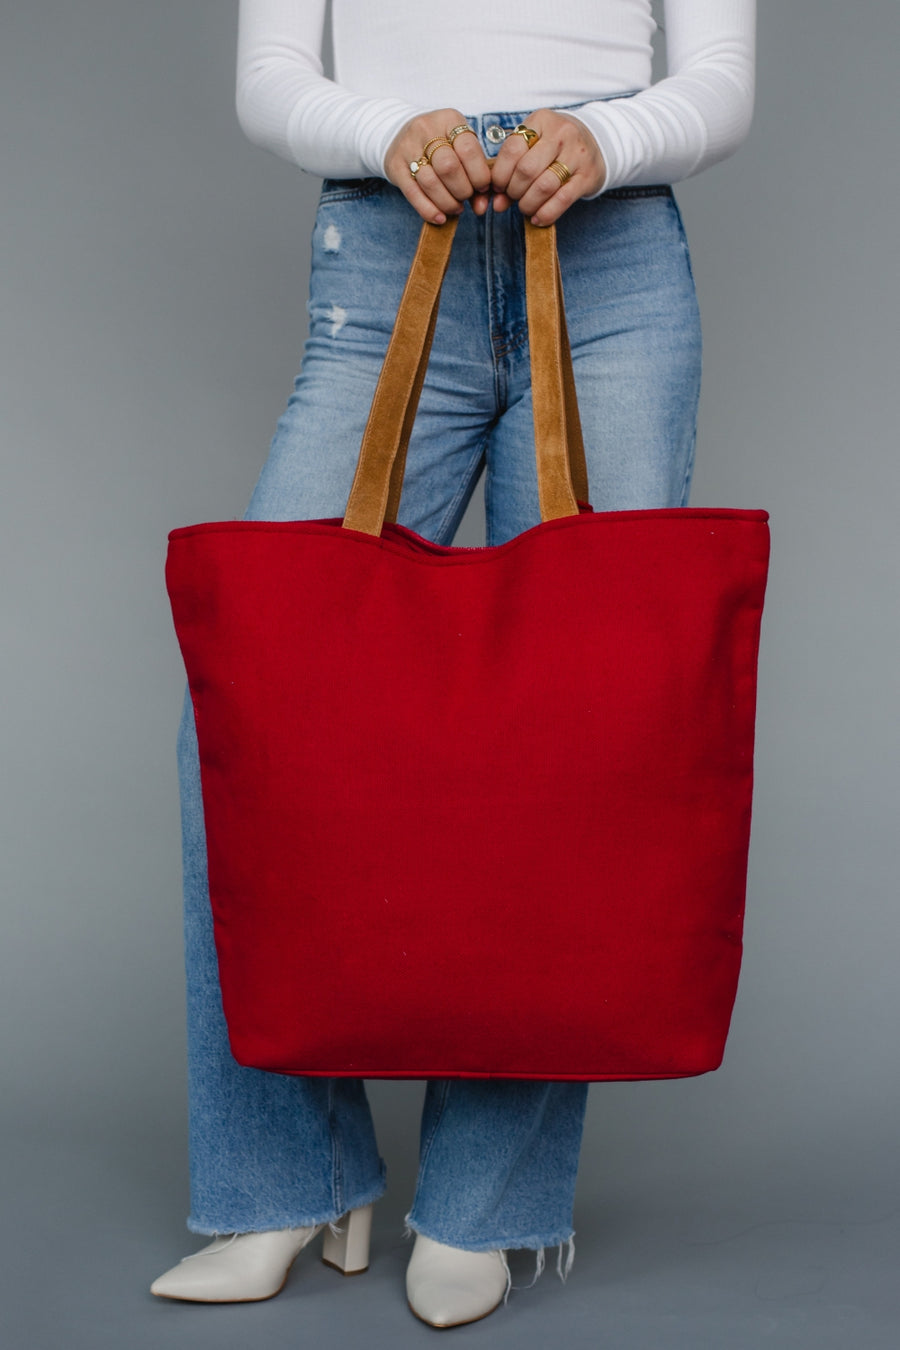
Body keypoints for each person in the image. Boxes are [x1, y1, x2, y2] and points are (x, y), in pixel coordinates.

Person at [151, 0, 756, 1329]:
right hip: (380, 252)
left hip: (614, 272)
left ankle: (484, 1207)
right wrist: (393, 131)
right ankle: (284, 1180)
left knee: (584, 748)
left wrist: (603, 141)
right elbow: (273, 78)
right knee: (258, 719)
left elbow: (717, 82)